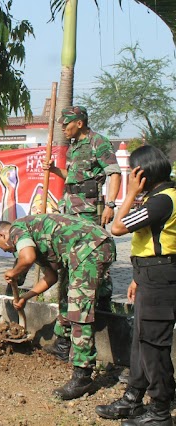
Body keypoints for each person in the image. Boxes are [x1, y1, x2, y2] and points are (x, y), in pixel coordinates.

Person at [0, 214, 115, 400]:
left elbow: (27, 257)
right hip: (87, 248)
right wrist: (26, 297)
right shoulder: (34, 238)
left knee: (79, 311)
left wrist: (14, 272)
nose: (7, 252)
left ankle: (83, 376)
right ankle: (64, 346)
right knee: (66, 297)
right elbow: (51, 277)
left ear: (2, 235)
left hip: (89, 247)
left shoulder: (17, 229)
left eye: (2, 247)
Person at [95, 146, 176, 425]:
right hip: (150, 276)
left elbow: (117, 228)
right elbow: (153, 241)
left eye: (134, 171)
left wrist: (128, 194)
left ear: (142, 174)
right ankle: (134, 397)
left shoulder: (162, 201)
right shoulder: (158, 198)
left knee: (154, 345)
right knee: (141, 341)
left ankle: (160, 411)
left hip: (160, 279)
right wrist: (136, 277)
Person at [43, 105, 122, 359]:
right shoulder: (74, 146)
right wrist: (56, 171)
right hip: (70, 211)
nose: (64, 129)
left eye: (67, 124)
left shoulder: (99, 142)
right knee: (68, 269)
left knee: (92, 266)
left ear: (79, 122)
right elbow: (74, 178)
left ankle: (102, 307)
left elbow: (114, 173)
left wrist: (110, 205)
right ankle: (65, 335)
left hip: (89, 213)